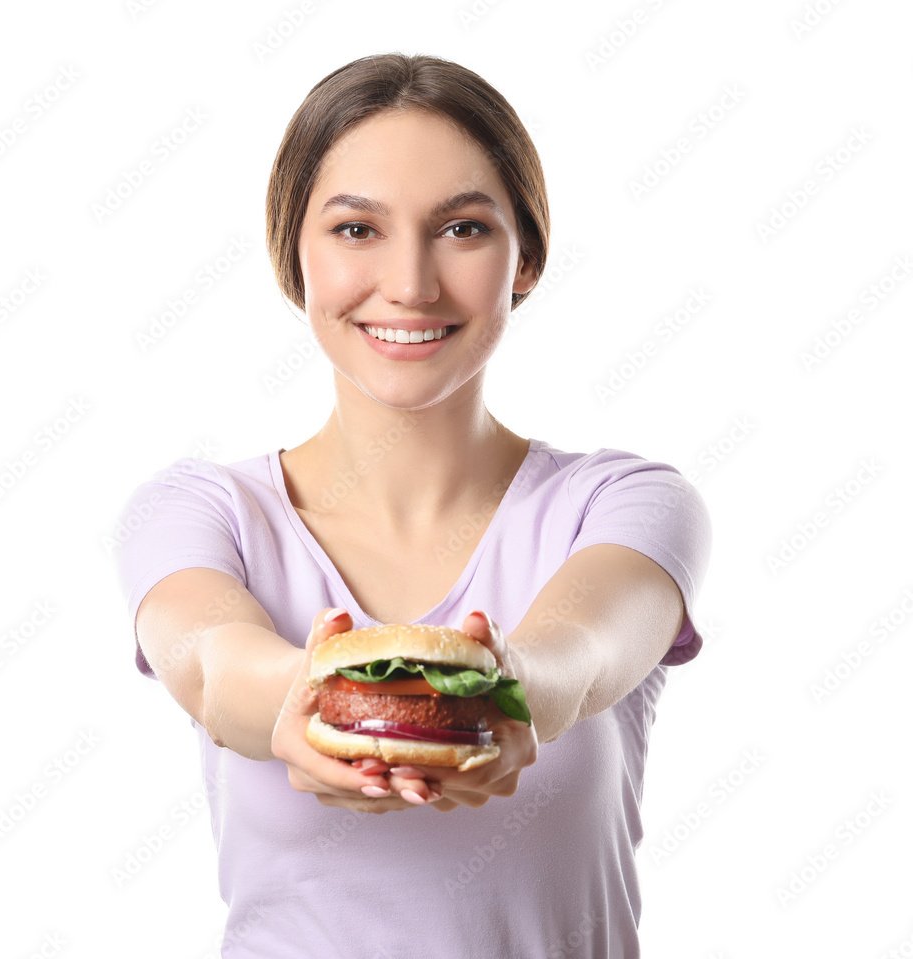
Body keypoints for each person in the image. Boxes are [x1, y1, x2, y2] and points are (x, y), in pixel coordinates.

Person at [113, 52, 712, 959]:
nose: (411, 284)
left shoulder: (624, 502)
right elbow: (210, 663)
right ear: (293, 260)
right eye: (357, 230)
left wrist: (509, 701)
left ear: (527, 260)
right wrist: (307, 706)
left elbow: (583, 656)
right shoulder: (202, 510)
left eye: (463, 228)